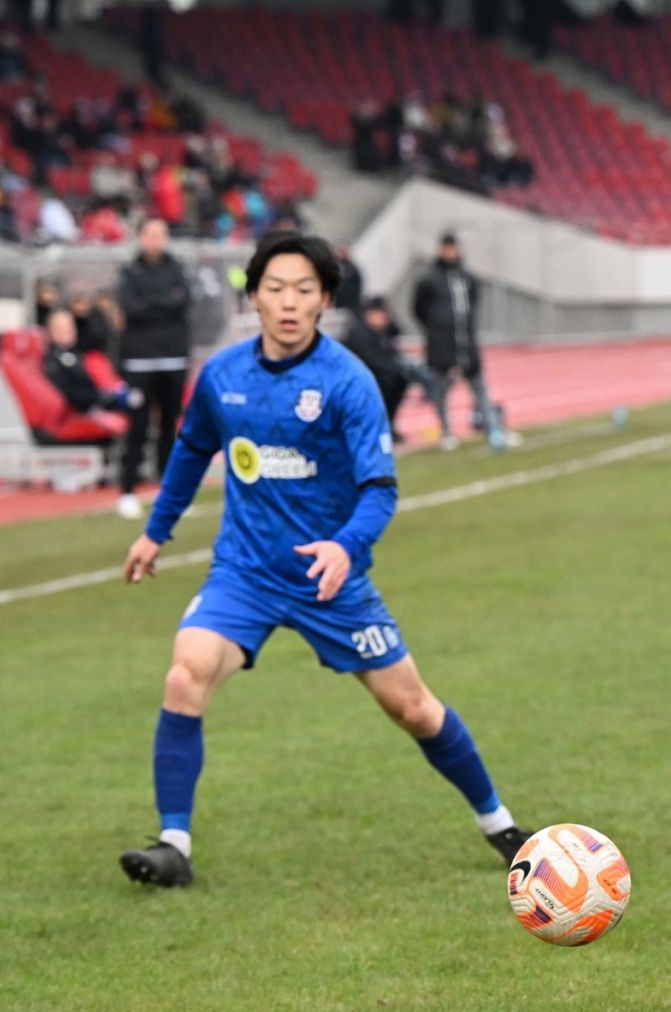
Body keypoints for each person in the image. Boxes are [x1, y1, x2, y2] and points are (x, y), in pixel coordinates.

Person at [118, 230, 531, 888]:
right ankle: (174, 845)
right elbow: (192, 451)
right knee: (184, 675)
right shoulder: (223, 376)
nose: (289, 302)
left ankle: (501, 825)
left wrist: (344, 546)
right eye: (276, 288)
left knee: (414, 708)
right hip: (246, 573)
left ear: (324, 301)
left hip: (330, 581)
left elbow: (380, 490)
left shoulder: (347, 382)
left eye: (304, 290)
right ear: (253, 297)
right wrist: (155, 532)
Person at [115, 216, 193, 520]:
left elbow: (182, 302)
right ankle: (127, 490)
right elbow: (131, 307)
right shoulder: (129, 272)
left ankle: (168, 492)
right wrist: (162, 304)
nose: (155, 240)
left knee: (169, 427)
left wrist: (150, 304)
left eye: (161, 234)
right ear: (140, 237)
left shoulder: (178, 269)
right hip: (139, 360)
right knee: (137, 426)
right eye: (150, 234)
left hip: (173, 358)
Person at [411, 231, 504, 450]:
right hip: (442, 345)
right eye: (447, 248)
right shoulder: (429, 279)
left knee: (479, 387)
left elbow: (473, 302)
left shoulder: (466, 276)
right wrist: (436, 327)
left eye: (453, 247)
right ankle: (447, 432)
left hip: (466, 342)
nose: (451, 252)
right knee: (441, 389)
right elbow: (418, 308)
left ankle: (492, 428)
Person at [344, 295, 447, 443]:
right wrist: (397, 369)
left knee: (401, 380)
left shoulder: (380, 331)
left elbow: (397, 332)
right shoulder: (359, 334)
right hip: (357, 381)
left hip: (376, 376)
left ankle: (387, 426)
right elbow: (374, 361)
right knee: (389, 384)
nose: (384, 317)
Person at [44, 308, 141, 417]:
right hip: (81, 410)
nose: (66, 332)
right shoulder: (54, 361)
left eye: (69, 327)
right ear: (50, 331)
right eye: (60, 328)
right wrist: (104, 397)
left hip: (96, 400)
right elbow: (68, 393)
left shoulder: (75, 353)